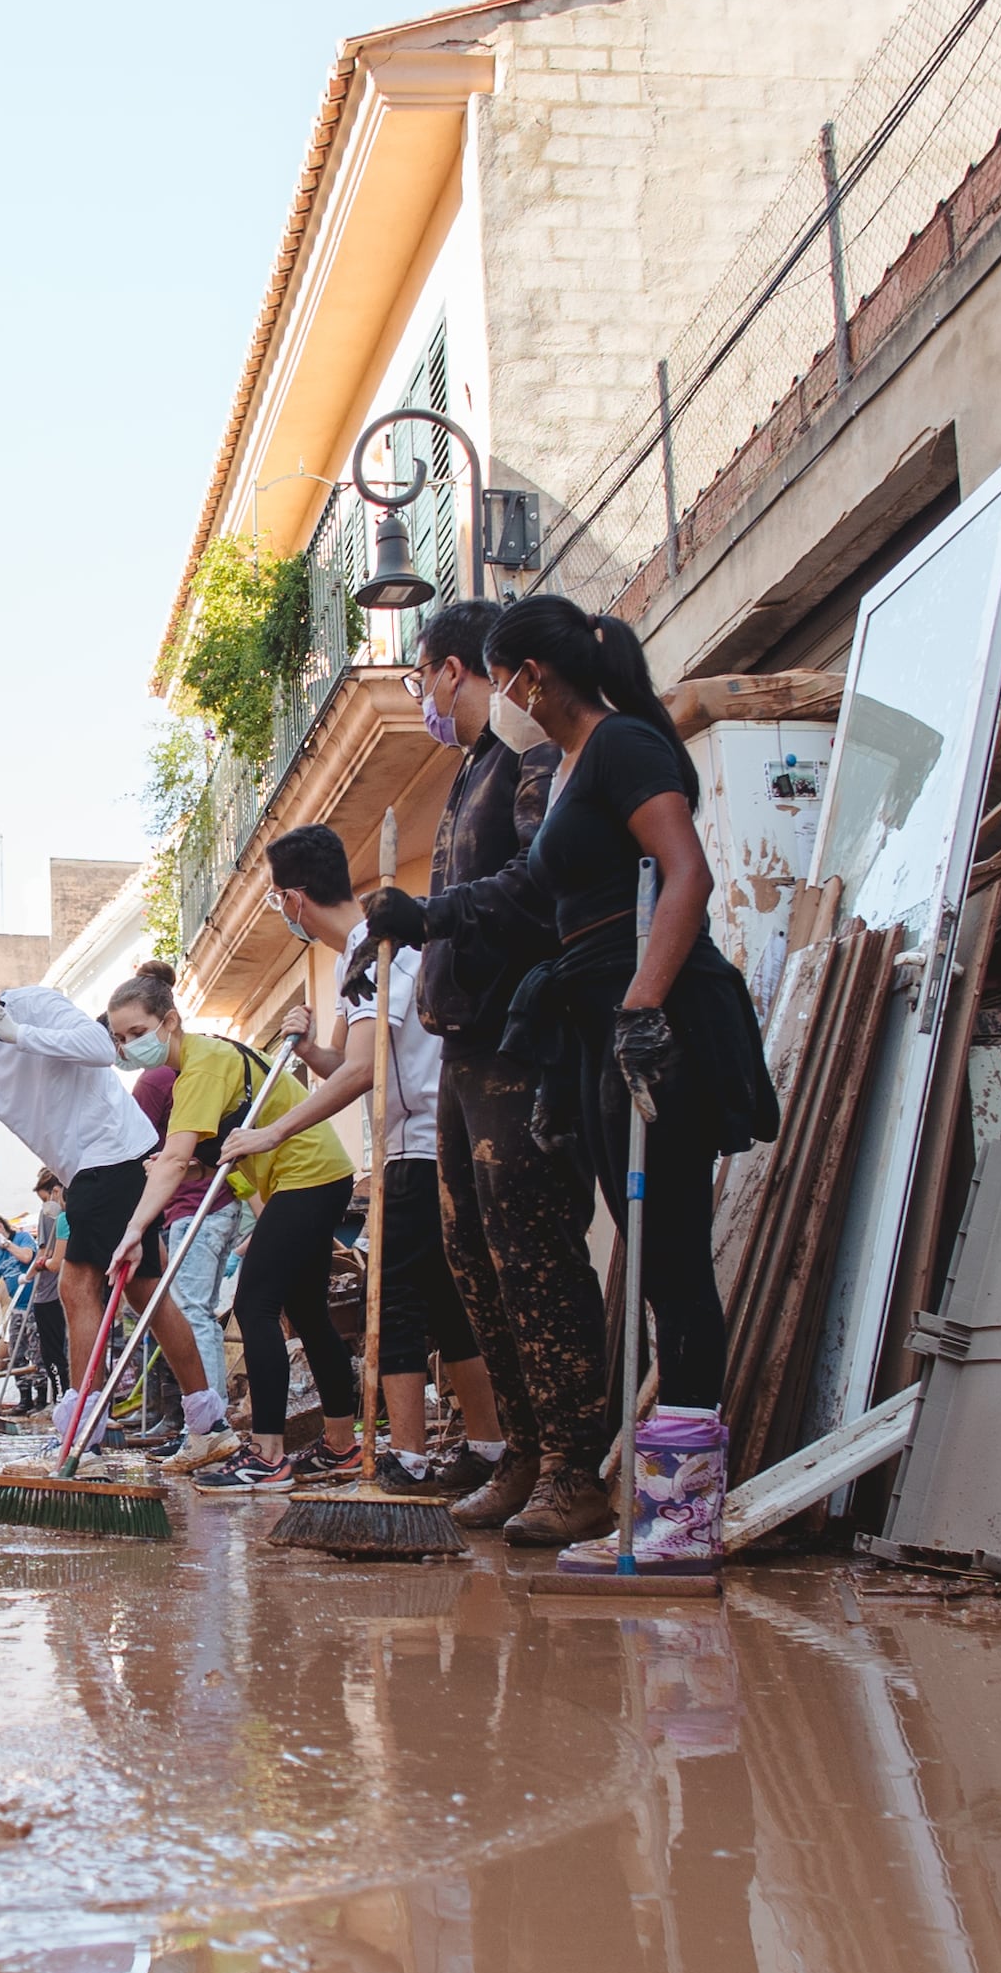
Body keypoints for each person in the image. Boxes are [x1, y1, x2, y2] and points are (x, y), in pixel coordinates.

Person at [369, 599, 774, 1566]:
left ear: (527, 676)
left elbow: (687, 876)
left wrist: (641, 1005)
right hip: (594, 1026)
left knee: (672, 1267)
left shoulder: (627, 745)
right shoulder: (578, 773)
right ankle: (660, 1503)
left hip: (653, 1018)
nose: (499, 695)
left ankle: (681, 1517)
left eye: (502, 677)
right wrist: (424, 916)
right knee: (648, 1256)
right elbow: (528, 894)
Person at [394, 602, 593, 1540]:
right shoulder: (469, 772)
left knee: (533, 1251)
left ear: (451, 669)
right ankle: (523, 1450)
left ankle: (573, 1464)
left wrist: (427, 921)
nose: (421, 696)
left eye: (418, 676)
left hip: (520, 1043)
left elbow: (533, 891)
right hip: (462, 1049)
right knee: (474, 1255)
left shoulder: (525, 761)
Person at [227, 824, 500, 1494]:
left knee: (400, 1304)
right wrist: (307, 1051)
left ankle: (403, 1459)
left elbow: (362, 1075)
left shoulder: (375, 951)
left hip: (417, 1147)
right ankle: (489, 1446)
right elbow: (351, 1062)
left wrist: (270, 1133)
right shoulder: (374, 950)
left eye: (275, 900)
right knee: (446, 1301)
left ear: (293, 900)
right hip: (427, 1139)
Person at [0, 943, 169, 1432]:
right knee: (144, 1293)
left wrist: (18, 1034)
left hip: (114, 1150)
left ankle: (81, 1428)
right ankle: (207, 1420)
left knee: (77, 1287)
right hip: (87, 1168)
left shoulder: (36, 1005)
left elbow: (100, 1049)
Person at [106, 964, 327, 1478]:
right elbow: (223, 1154)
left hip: (264, 1189)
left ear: (169, 1020)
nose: (129, 1046)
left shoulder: (183, 1071)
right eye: (120, 1038)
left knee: (222, 1310)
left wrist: (134, 1228)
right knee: (299, 1313)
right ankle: (331, 1442)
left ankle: (228, 1435)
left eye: (137, 1033)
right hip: (269, 1185)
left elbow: (175, 1159)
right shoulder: (193, 1064)